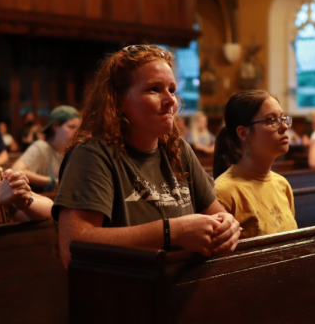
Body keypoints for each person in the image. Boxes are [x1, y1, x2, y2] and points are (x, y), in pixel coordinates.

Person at [52, 44, 240, 268]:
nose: (171, 100)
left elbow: (217, 215)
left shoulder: (178, 149)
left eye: (171, 89)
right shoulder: (92, 155)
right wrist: (171, 231)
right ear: (118, 101)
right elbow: (74, 248)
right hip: (125, 294)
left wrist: (227, 226)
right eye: (154, 89)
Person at [213, 90, 297, 238]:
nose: (284, 127)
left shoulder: (282, 185)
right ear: (244, 133)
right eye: (272, 120)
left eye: (283, 118)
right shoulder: (223, 192)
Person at [12, 106, 80, 193]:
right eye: (71, 127)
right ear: (55, 126)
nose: (76, 132)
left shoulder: (75, 150)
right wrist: (52, 182)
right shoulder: (41, 147)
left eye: (78, 128)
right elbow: (16, 170)